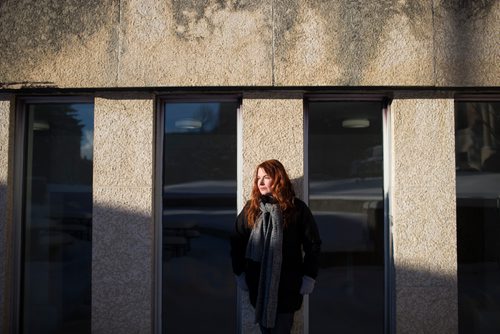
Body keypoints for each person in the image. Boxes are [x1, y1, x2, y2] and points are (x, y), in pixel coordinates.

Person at [230, 159, 322, 333]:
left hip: (287, 286)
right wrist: (239, 271)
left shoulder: (296, 209)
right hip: (258, 286)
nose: (261, 182)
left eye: (266, 177)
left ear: (278, 178)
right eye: (258, 178)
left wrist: (309, 276)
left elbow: (313, 244)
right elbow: (237, 240)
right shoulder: (252, 208)